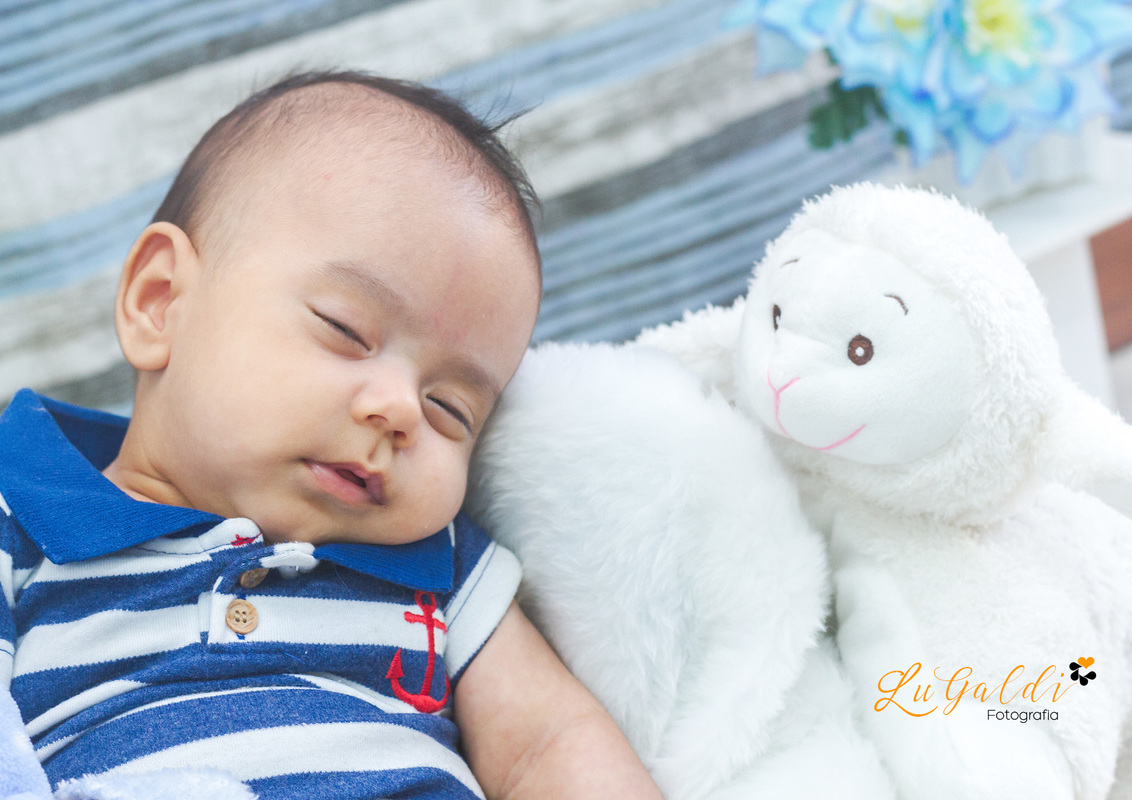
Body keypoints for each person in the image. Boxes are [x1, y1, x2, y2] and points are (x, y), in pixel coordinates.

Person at [0, 71, 664, 800]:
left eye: (451, 409)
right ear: (162, 304)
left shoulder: (432, 568)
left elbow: (548, 742)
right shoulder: (21, 524)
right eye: (346, 331)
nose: (400, 411)